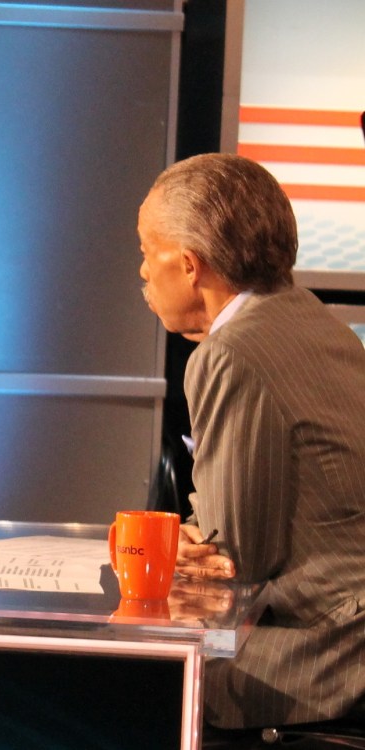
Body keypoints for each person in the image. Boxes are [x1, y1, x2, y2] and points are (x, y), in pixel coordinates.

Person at [137, 152, 365, 730]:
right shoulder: (316, 322)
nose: (142, 271)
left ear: (190, 265)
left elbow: (233, 557)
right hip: (348, 632)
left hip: (322, 656)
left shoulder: (231, 353)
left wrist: (176, 542)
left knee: (125, 684)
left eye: (146, 250)